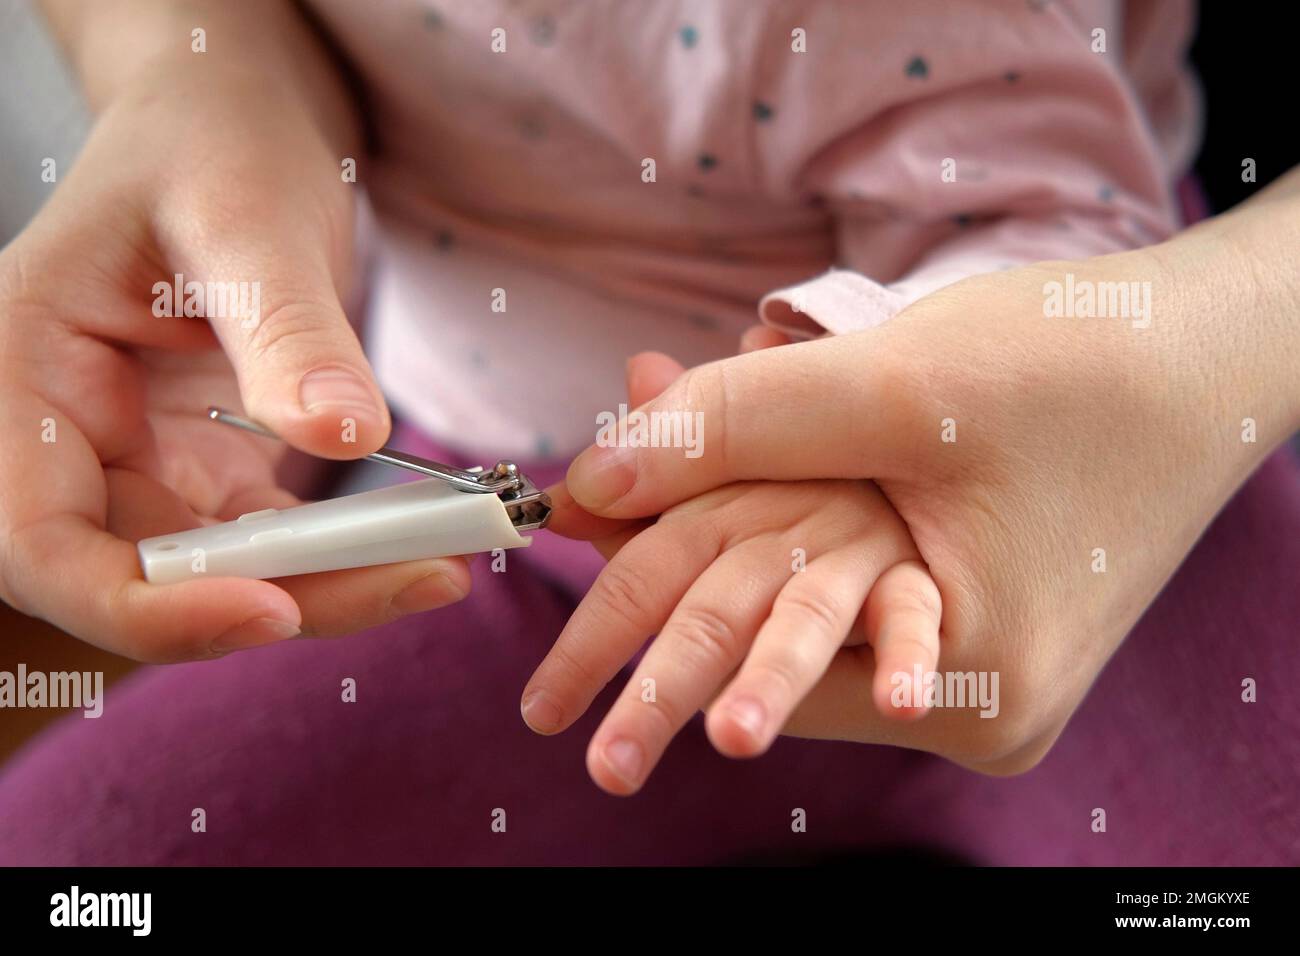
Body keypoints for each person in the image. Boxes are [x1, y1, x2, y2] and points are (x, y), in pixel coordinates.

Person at [0, 0, 1294, 864]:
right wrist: (195, 78)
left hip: (1071, 508)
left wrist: (863, 429)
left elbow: (1056, 218)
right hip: (498, 546)